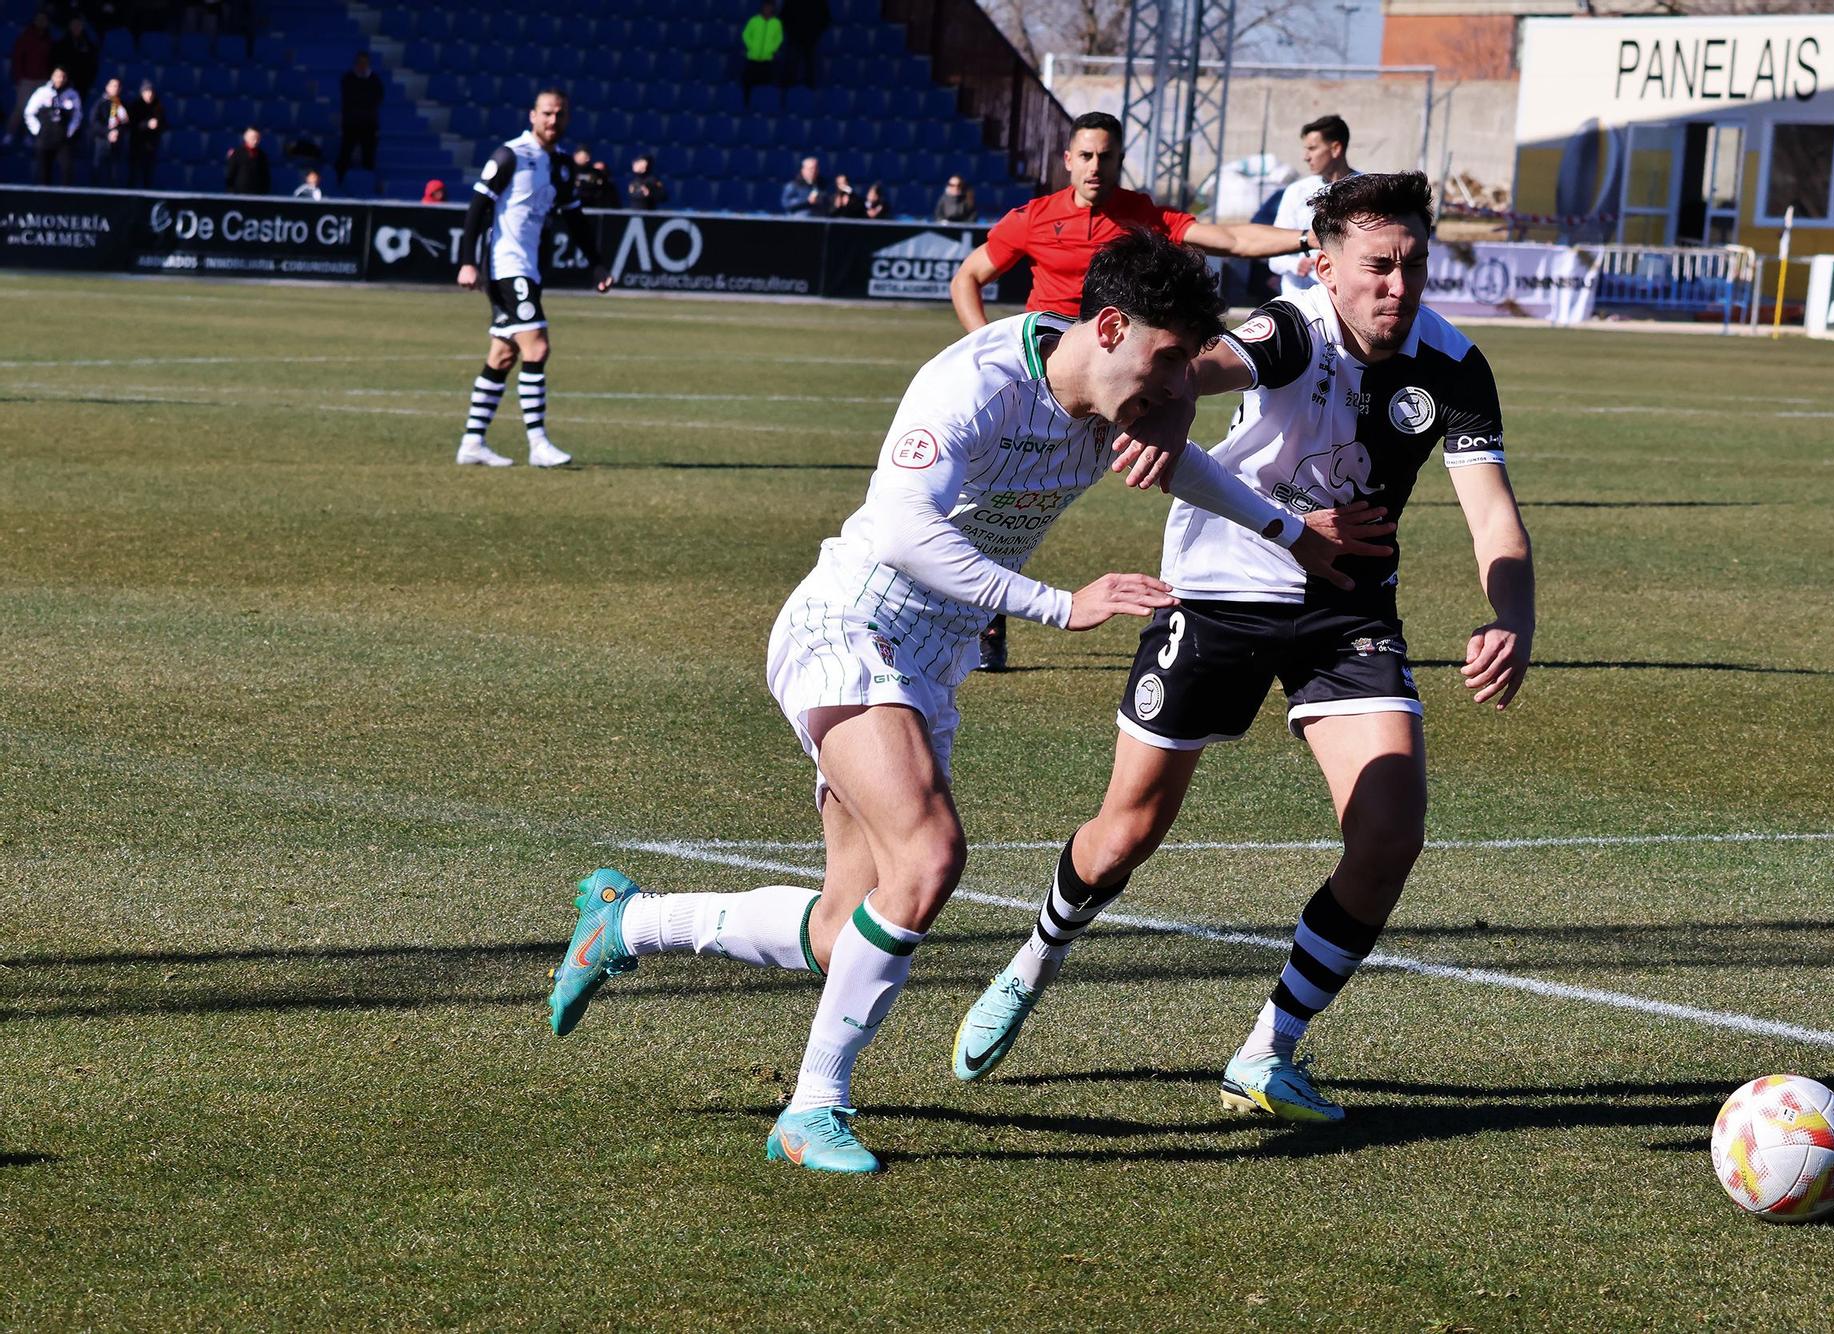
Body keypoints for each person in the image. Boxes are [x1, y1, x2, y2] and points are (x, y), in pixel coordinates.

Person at [541, 229, 1382, 1174]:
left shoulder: (1122, 391)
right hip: (851, 625)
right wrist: (1060, 605)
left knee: (844, 925)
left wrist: (1288, 534)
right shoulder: (978, 381)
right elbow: (902, 529)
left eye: (1190, 362)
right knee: (932, 855)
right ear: (1108, 327)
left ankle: (628, 921)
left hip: (930, 660)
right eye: (1168, 361)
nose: (1180, 387)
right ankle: (811, 1110)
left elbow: (1178, 462)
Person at [949, 172, 1535, 1126]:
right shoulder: (1291, 327)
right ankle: (1034, 959)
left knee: (1390, 832)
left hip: (1347, 609)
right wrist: (1170, 404)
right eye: (1378, 266)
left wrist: (1513, 616)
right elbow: (1203, 365)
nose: (1399, 285)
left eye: (1414, 265)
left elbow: (1494, 519)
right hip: (1222, 591)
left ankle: (1269, 1051)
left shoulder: (1454, 366)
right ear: (1325, 267)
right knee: (1124, 836)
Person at [949, 110, 1322, 673]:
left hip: (1124, 379)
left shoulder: (1142, 216)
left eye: (1108, 156)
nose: (1097, 166)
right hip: (1050, 384)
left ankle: (1235, 588)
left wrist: (1307, 237)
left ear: (1120, 162)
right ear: (1069, 159)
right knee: (997, 502)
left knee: (1179, 465)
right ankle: (986, 623)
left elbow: (1231, 239)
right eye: (1087, 155)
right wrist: (990, 354)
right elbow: (967, 277)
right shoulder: (1033, 219)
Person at [455, 88, 613, 469]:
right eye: (546, 114)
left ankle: (472, 443)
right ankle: (538, 443)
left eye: (559, 114)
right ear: (532, 115)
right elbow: (478, 208)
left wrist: (596, 264)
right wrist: (467, 261)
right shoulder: (510, 155)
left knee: (504, 353)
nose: (552, 121)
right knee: (537, 348)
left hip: (528, 268)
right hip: (507, 265)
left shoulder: (560, 163)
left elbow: (573, 216)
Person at [1269, 114, 1362, 296]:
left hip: (1347, 299)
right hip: (1299, 303)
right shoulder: (1296, 191)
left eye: (1312, 148)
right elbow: (1274, 253)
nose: (1306, 157)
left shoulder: (1365, 188)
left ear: (1335, 149)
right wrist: (1296, 264)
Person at [24, 67, 82, 186]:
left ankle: (66, 201)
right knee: (44, 172)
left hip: (62, 137)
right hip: (45, 136)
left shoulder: (72, 94)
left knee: (67, 170)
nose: (60, 79)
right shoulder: (42, 92)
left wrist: (70, 131)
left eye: (62, 76)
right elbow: (29, 112)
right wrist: (37, 130)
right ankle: (43, 201)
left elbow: (78, 115)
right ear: (52, 76)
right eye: (57, 76)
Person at [7, 11, 54, 147]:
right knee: (21, 108)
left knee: (38, 110)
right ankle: (10, 134)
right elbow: (17, 59)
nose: (41, 22)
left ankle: (30, 136)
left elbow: (51, 61)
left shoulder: (49, 40)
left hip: (43, 81)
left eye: (44, 19)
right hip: (26, 79)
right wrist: (19, 78)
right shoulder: (25, 37)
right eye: (39, 19)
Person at [336, 51, 382, 184]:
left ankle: (368, 183)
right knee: (345, 153)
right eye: (360, 62)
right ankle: (340, 181)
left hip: (369, 125)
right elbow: (348, 99)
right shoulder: (348, 79)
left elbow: (377, 99)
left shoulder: (375, 80)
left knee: (368, 155)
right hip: (351, 124)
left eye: (365, 62)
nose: (362, 65)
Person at [88, 74, 129, 185]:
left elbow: (126, 123)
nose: (115, 88)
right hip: (101, 142)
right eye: (112, 86)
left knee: (114, 173)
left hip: (117, 143)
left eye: (117, 86)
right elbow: (94, 123)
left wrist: (117, 132)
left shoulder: (121, 105)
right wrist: (108, 132)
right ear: (107, 87)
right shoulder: (100, 103)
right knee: (98, 170)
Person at [739, 0, 781, 108]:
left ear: (773, 8)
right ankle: (746, 105)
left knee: (765, 84)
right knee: (748, 83)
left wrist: (771, 49)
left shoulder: (776, 23)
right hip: (752, 58)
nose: (767, 9)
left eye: (769, 7)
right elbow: (746, 34)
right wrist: (751, 46)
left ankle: (762, 105)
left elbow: (779, 38)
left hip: (767, 59)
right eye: (766, 7)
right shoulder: (754, 21)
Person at [50, 17, 97, 111]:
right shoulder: (61, 43)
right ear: (70, 26)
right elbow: (55, 63)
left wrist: (87, 81)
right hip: (62, 83)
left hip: (81, 85)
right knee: (58, 109)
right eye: (74, 25)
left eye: (78, 25)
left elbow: (92, 66)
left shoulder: (88, 45)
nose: (76, 27)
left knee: (76, 110)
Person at [127, 77, 166, 187]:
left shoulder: (158, 106)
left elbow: (164, 124)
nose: (149, 94)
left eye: (151, 91)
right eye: (147, 91)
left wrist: (157, 125)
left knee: (148, 176)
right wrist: (146, 124)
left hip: (151, 146)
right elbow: (131, 125)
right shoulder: (135, 106)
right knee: (133, 174)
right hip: (136, 146)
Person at [781, 0, 827, 88]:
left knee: (810, 66)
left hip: (810, 40)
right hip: (794, 40)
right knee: (791, 65)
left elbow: (825, 18)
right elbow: (784, 16)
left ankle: (809, 91)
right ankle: (789, 90)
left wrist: (815, 33)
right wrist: (791, 32)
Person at [224, 125, 269, 194]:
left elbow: (265, 177)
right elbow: (230, 176)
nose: (255, 141)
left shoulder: (262, 156)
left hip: (257, 195)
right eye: (252, 138)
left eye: (257, 138)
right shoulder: (236, 153)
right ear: (246, 137)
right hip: (238, 194)